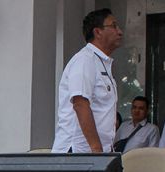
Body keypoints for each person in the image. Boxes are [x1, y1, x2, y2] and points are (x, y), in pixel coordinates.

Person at [52, 8, 123, 153]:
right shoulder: (85, 60)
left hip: (95, 154)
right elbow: (80, 104)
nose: (120, 31)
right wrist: (96, 150)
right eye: (114, 26)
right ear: (98, 32)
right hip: (78, 154)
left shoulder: (101, 63)